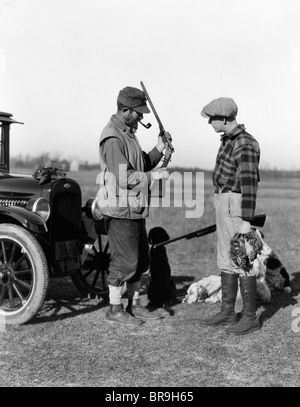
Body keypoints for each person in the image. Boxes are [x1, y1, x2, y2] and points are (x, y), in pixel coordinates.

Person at [96, 85, 170, 326]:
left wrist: (160, 149)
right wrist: (154, 177)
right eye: (138, 112)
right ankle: (115, 309)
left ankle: (134, 305)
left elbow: (141, 165)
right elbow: (124, 176)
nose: (141, 116)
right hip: (119, 210)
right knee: (125, 262)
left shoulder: (128, 133)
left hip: (134, 208)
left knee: (140, 259)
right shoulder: (113, 138)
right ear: (125, 110)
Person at [200, 97, 261, 335]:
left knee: (242, 258)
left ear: (224, 119)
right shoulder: (228, 140)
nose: (210, 123)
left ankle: (249, 317)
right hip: (224, 202)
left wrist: (246, 220)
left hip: (235, 204)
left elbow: (249, 184)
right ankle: (227, 312)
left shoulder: (244, 143)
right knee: (226, 257)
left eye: (213, 119)